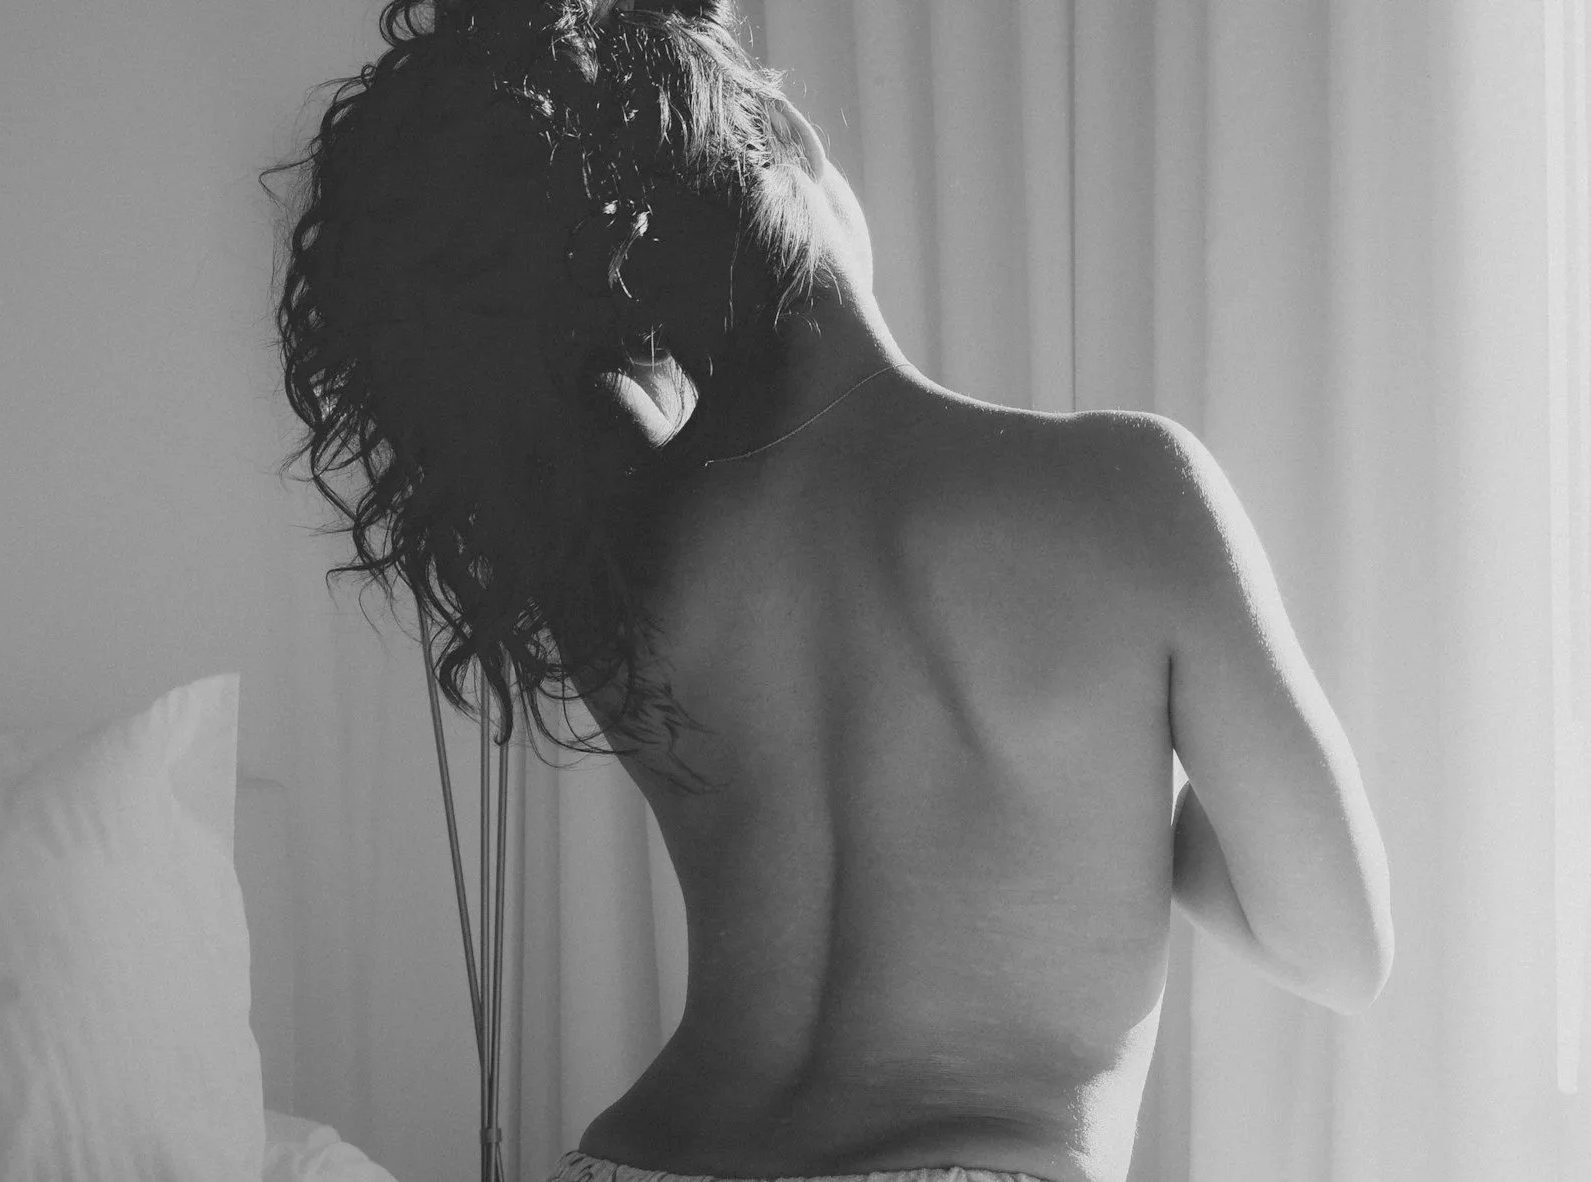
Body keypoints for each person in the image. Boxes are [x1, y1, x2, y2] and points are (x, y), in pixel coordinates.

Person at [262, 2, 1395, 1180]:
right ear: (792, 138)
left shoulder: (610, 554)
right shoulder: (1128, 493)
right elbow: (1337, 950)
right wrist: (1134, 748)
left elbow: (609, 423)